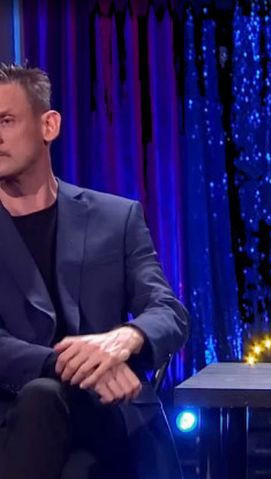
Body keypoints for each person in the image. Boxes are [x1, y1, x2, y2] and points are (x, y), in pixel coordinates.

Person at [0, 63, 189, 479]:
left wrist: (124, 338)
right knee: (43, 399)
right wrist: (72, 365)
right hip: (14, 418)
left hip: (112, 418)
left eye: (6, 121)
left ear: (49, 125)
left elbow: (168, 311)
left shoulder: (115, 217)